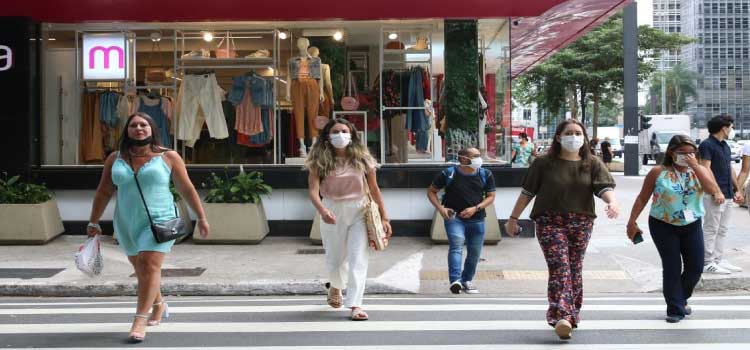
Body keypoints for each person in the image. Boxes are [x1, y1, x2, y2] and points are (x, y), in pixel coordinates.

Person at [86, 112, 210, 343]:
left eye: (144, 124)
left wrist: (201, 218)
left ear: (152, 129)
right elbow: (104, 191)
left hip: (160, 220)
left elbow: (187, 189)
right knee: (143, 270)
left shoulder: (168, 156)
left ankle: (139, 320)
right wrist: (94, 221)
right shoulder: (115, 158)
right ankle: (159, 304)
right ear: (127, 131)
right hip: (126, 222)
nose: (139, 128)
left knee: (149, 265)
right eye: (133, 125)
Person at [504, 119, 618, 340]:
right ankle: (562, 315)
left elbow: (604, 187)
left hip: (581, 222)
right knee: (560, 266)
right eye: (569, 132)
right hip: (549, 221)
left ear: (584, 137)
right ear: (558, 137)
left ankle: (572, 313)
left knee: (574, 267)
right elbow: (527, 193)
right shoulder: (543, 163)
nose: (574, 137)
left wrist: (612, 202)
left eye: (578, 133)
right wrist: (513, 219)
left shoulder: (592, 163)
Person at [305, 118, 392, 321]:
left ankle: (355, 304)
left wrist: (385, 216)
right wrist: (323, 210)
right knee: (336, 259)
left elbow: (374, 189)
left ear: (352, 135)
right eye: (335, 131)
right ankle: (336, 285)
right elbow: (312, 191)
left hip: (359, 210)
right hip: (332, 210)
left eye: (345, 131)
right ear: (327, 136)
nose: (340, 135)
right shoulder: (318, 160)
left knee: (357, 259)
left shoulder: (363, 158)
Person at [627, 135, 719, 323]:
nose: (687, 156)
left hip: (691, 223)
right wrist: (632, 221)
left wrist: (695, 166)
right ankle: (675, 309)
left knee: (695, 267)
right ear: (671, 152)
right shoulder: (658, 171)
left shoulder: (699, 170)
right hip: (662, 223)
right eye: (682, 153)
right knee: (672, 266)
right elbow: (642, 197)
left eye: (691, 153)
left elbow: (711, 189)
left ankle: (679, 298)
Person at [427, 147, 496, 294]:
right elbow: (431, 191)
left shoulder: (486, 174)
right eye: (476, 156)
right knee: (456, 247)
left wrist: (475, 208)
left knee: (474, 253)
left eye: (479, 155)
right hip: (454, 217)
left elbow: (491, 196)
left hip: (477, 220)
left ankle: (467, 280)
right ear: (463, 159)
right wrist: (441, 209)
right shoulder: (448, 173)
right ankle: (455, 281)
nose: (479, 158)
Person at [698, 114, 744, 274]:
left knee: (722, 229)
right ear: (723, 128)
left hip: (728, 193)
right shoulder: (707, 145)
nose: (732, 130)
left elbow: (729, 168)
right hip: (714, 195)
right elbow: (705, 169)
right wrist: (716, 191)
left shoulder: (725, 145)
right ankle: (706, 262)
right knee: (711, 228)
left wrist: (737, 189)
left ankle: (717, 259)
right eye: (731, 127)